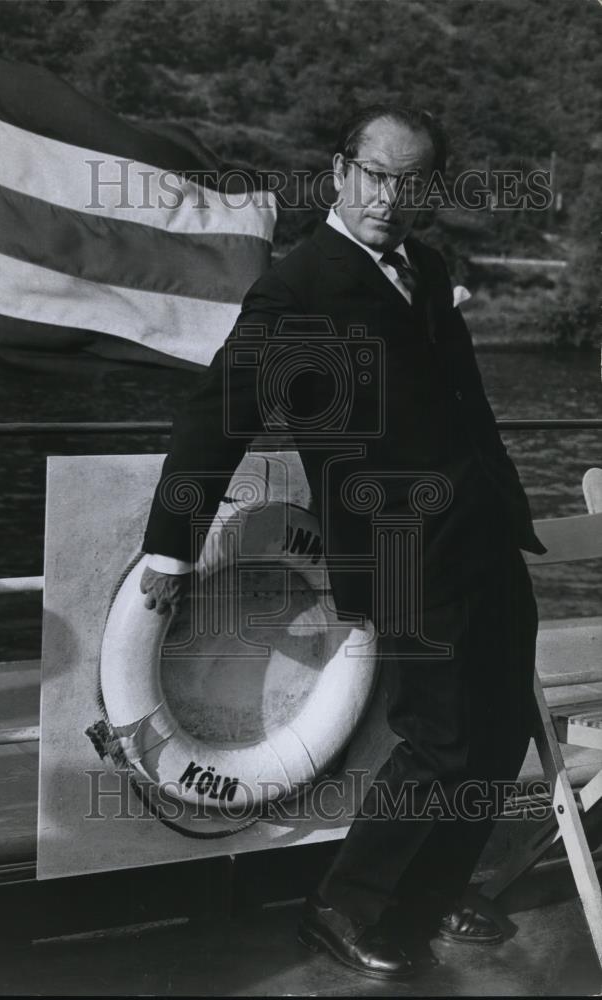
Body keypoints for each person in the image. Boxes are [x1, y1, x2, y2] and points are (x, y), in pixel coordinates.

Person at [139, 105, 545, 980]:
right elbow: (218, 416)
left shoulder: (425, 269)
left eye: (412, 182)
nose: (389, 198)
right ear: (339, 171)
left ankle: (435, 892)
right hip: (397, 550)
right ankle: (344, 906)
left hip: (481, 537)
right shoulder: (303, 287)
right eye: (375, 175)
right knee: (440, 737)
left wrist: (510, 510)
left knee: (502, 725)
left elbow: (467, 404)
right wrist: (172, 547)